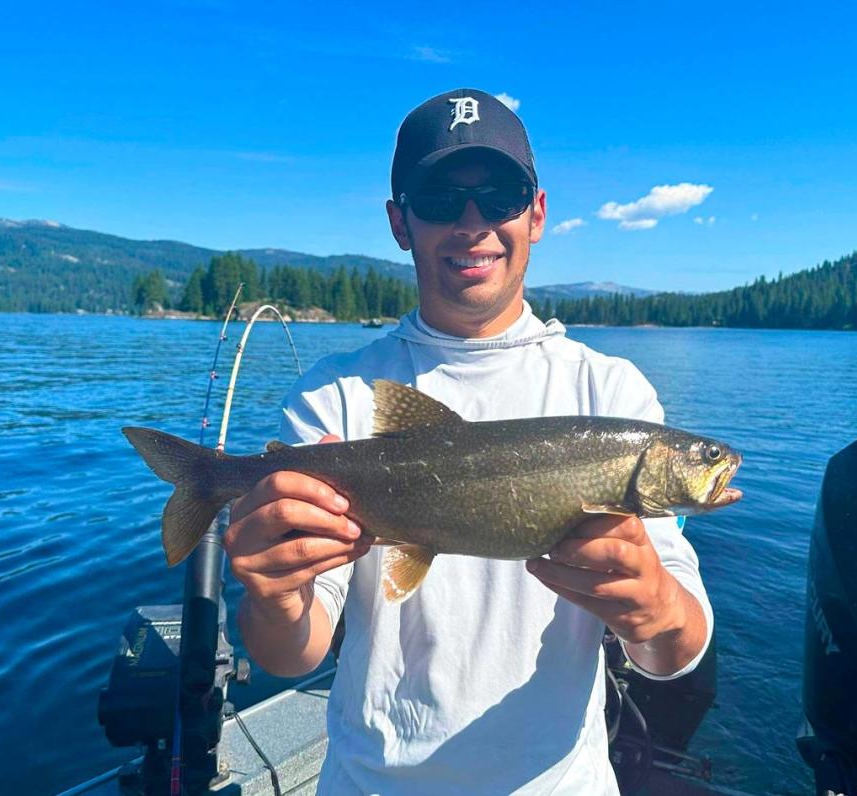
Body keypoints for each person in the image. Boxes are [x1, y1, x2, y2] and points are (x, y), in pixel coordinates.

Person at [224, 88, 713, 795]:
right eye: (439, 197)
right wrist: (271, 595)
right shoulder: (333, 398)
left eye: (500, 193)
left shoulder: (611, 394)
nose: (473, 221)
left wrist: (656, 607)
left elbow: (677, 651)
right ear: (400, 222)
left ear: (536, 213)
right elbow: (292, 654)